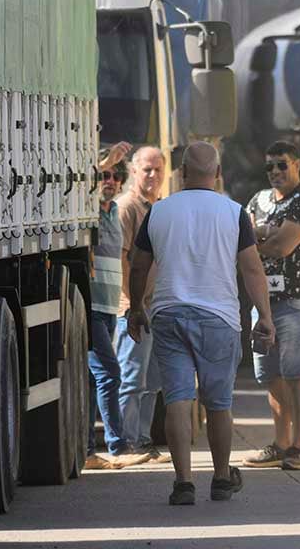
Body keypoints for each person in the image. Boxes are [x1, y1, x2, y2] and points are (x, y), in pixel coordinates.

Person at [128, 141, 274, 505]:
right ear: (219, 174)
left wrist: (135, 308)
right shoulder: (233, 212)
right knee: (218, 403)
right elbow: (252, 267)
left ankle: (183, 483)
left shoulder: (159, 211)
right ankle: (222, 479)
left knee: (178, 398)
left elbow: (139, 265)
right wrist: (265, 316)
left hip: (169, 314)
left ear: (180, 173)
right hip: (219, 318)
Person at [243, 141, 300, 471]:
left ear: (296, 165)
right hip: (263, 302)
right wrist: (265, 233)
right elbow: (243, 241)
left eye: (282, 165)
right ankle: (280, 443)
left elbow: (282, 247)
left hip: (296, 301)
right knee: (270, 375)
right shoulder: (257, 200)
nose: (275, 172)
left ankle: (299, 447)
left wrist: (260, 236)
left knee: (296, 374)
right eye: (270, 167)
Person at [84, 142, 154, 470]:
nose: (110, 180)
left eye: (116, 175)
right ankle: (116, 445)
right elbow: (82, 187)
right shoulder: (92, 208)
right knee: (110, 372)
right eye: (105, 175)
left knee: (96, 376)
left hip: (109, 305)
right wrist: (101, 164)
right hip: (91, 304)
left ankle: (89, 449)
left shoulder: (112, 211)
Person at [116, 146, 171, 463]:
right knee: (132, 378)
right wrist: (131, 303)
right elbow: (122, 259)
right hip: (133, 310)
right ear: (134, 171)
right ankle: (128, 443)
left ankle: (144, 441)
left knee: (152, 382)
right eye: (146, 169)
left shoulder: (160, 209)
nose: (152, 175)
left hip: (155, 308)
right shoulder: (128, 208)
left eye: (158, 169)